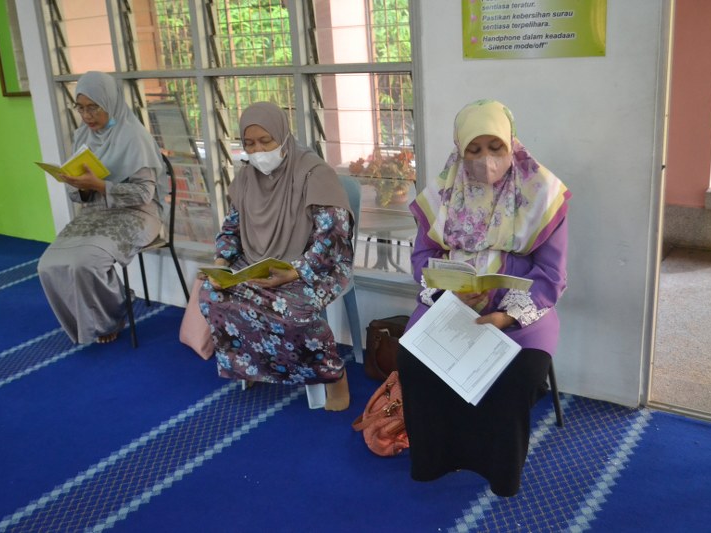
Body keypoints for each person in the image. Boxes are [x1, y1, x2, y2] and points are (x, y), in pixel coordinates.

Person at [396, 99, 571, 497]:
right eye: (473, 149)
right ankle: (435, 460)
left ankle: (499, 471)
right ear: (459, 150)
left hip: (519, 318)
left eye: (495, 147)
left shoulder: (542, 195)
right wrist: (445, 296)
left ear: (512, 144)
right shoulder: (442, 194)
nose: (485, 159)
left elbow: (552, 274)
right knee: (413, 362)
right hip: (450, 307)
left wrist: (507, 316)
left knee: (515, 377)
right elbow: (422, 258)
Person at [197, 102, 354, 411]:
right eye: (249, 144)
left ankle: (334, 377)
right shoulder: (246, 178)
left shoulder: (314, 173)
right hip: (255, 264)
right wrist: (220, 265)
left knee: (292, 311)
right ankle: (255, 363)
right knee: (210, 296)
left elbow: (333, 237)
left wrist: (295, 272)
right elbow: (231, 228)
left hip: (315, 266)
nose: (258, 151)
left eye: (265, 141)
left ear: (282, 136)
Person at [38, 71, 166, 345]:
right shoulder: (83, 136)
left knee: (86, 262)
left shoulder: (134, 137)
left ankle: (111, 316)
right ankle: (93, 316)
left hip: (138, 214)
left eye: (93, 107)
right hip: (97, 211)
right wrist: (81, 186)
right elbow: (81, 195)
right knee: (48, 265)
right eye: (81, 108)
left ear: (110, 102)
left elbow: (144, 194)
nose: (87, 116)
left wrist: (100, 185)